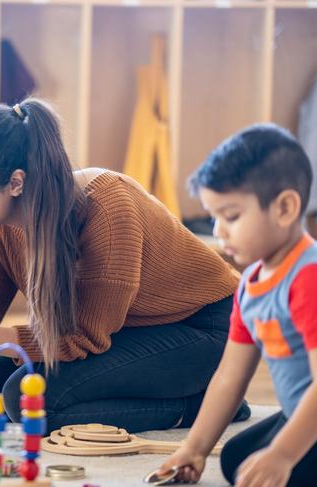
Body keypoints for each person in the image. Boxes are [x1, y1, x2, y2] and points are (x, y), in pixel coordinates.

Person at [0, 98, 249, 433]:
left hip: (207, 328)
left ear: (15, 183)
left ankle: (200, 406)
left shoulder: (106, 209)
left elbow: (82, 338)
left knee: (31, 403)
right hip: (127, 329)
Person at [156, 124, 317, 487]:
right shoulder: (250, 285)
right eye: (214, 217)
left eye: (231, 216)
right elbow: (229, 376)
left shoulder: (308, 277)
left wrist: (284, 454)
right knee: (237, 460)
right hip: (301, 416)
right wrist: (195, 448)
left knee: (280, 468)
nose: (220, 231)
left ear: (285, 208)